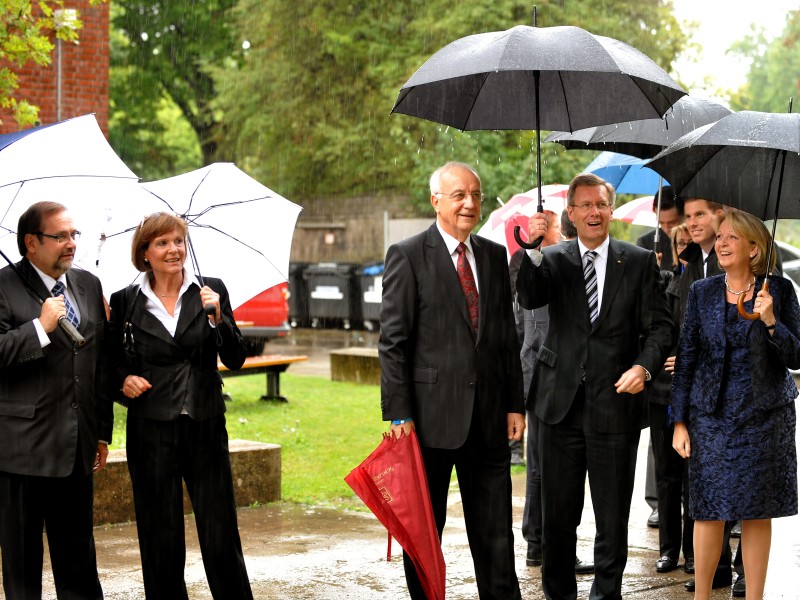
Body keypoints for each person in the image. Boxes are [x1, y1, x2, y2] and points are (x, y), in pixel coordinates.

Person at [516, 173, 673, 600]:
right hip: (558, 407)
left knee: (613, 516)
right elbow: (528, 297)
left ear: (611, 209)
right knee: (558, 516)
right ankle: (559, 594)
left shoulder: (638, 262)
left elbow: (661, 327)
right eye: (584, 205)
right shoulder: (551, 259)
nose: (593, 212)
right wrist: (531, 248)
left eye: (601, 204)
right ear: (570, 213)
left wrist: (643, 367)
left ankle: (607, 594)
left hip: (615, 407)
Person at [379, 161, 525, 599]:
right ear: (435, 200)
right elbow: (393, 341)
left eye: (476, 195)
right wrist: (399, 411)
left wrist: (514, 403)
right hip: (427, 420)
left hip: (488, 421)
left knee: (496, 532)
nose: (469, 202)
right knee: (424, 534)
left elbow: (505, 337)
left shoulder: (495, 255)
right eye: (459, 194)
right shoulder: (406, 255)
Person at [107, 213, 253, 600]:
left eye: (177, 241)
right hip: (151, 428)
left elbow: (237, 357)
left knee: (220, 530)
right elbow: (111, 362)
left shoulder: (211, 289)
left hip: (205, 423)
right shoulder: (125, 300)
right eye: (162, 243)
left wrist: (220, 319)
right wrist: (123, 380)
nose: (173, 249)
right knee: (159, 533)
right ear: (145, 253)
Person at [671, 209, 799, 600]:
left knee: (757, 510)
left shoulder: (779, 290)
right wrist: (679, 421)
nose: (721, 243)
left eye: (731, 238)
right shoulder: (702, 291)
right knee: (709, 508)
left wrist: (772, 320)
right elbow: (687, 356)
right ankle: (703, 596)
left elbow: (797, 357)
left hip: (765, 417)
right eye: (720, 236)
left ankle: (755, 596)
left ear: (754, 248)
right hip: (710, 416)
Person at [0, 201, 111, 598]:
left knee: (79, 562)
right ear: (31, 243)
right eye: (60, 236)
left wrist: (102, 433)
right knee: (23, 564)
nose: (70, 244)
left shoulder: (87, 284)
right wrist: (39, 328)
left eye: (73, 235)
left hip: (77, 447)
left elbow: (98, 362)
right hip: (22, 450)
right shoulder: (3, 286)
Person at [664, 198, 740, 593]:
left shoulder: (747, 257)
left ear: (720, 215)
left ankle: (743, 568)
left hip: (740, 395)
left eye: (700, 215)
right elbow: (682, 321)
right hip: (698, 393)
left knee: (741, 486)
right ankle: (714, 569)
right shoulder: (689, 262)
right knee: (705, 487)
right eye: (688, 216)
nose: (691, 223)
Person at [637, 187, 684, 528]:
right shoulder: (644, 245)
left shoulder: (687, 246)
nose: (669, 229)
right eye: (663, 222)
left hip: (681, 348)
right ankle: (657, 502)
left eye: (674, 222)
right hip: (655, 353)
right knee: (658, 439)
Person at [649, 223, 694, 576]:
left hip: (694, 391)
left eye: (689, 240)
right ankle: (668, 549)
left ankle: (695, 551)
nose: (685, 244)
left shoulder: (705, 282)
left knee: (693, 476)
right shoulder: (662, 281)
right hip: (663, 390)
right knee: (666, 474)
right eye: (680, 241)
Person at [636, 188, 684, 272]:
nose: (666, 228)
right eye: (661, 222)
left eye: (672, 222)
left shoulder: (696, 240)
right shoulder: (646, 243)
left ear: (683, 213)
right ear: (654, 211)